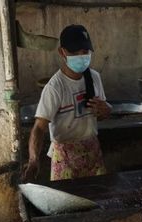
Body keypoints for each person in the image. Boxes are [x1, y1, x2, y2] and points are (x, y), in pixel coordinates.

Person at [22, 24, 111, 181]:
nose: (80, 56)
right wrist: (33, 161)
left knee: (97, 198)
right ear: (62, 52)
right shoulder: (55, 88)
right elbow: (39, 128)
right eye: (74, 52)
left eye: (84, 52)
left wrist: (106, 110)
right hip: (65, 156)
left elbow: (102, 113)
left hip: (92, 151)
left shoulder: (94, 78)